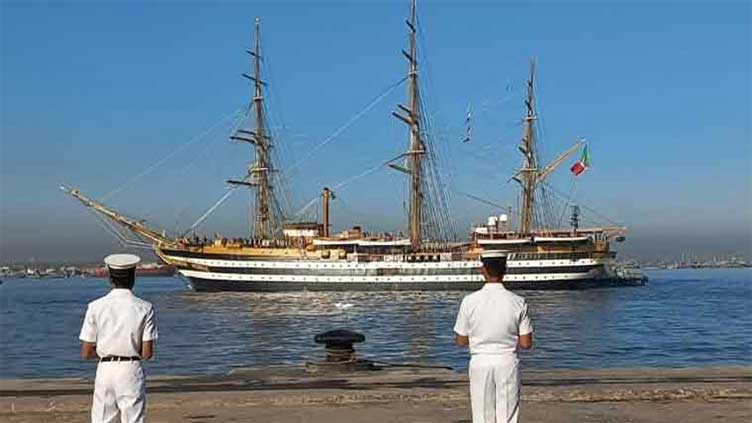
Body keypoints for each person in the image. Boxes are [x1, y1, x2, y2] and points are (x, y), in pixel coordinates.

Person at [454, 251, 533, 423]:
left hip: (480, 361)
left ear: (483, 270)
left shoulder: (469, 301)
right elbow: (526, 343)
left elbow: (460, 341)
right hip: (507, 361)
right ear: (505, 270)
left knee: (482, 415)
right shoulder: (519, 302)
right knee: (507, 416)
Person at [79, 254, 158, 423]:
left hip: (105, 369)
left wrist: (105, 351)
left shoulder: (95, 306)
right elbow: (147, 353)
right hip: (130, 368)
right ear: (133, 277)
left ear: (110, 278)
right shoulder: (145, 308)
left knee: (102, 419)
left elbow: (86, 352)